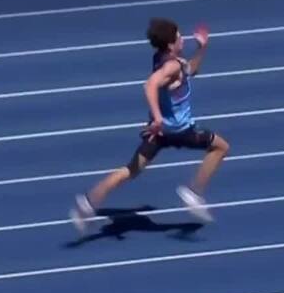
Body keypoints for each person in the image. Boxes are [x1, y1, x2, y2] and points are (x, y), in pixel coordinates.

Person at [70, 18, 230, 233]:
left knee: (130, 170)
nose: (183, 38)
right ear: (171, 44)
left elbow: (191, 70)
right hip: (179, 130)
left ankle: (88, 203)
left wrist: (202, 49)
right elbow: (150, 84)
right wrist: (157, 118)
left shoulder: (163, 59)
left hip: (160, 133)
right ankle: (194, 191)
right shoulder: (172, 65)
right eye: (179, 36)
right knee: (221, 147)